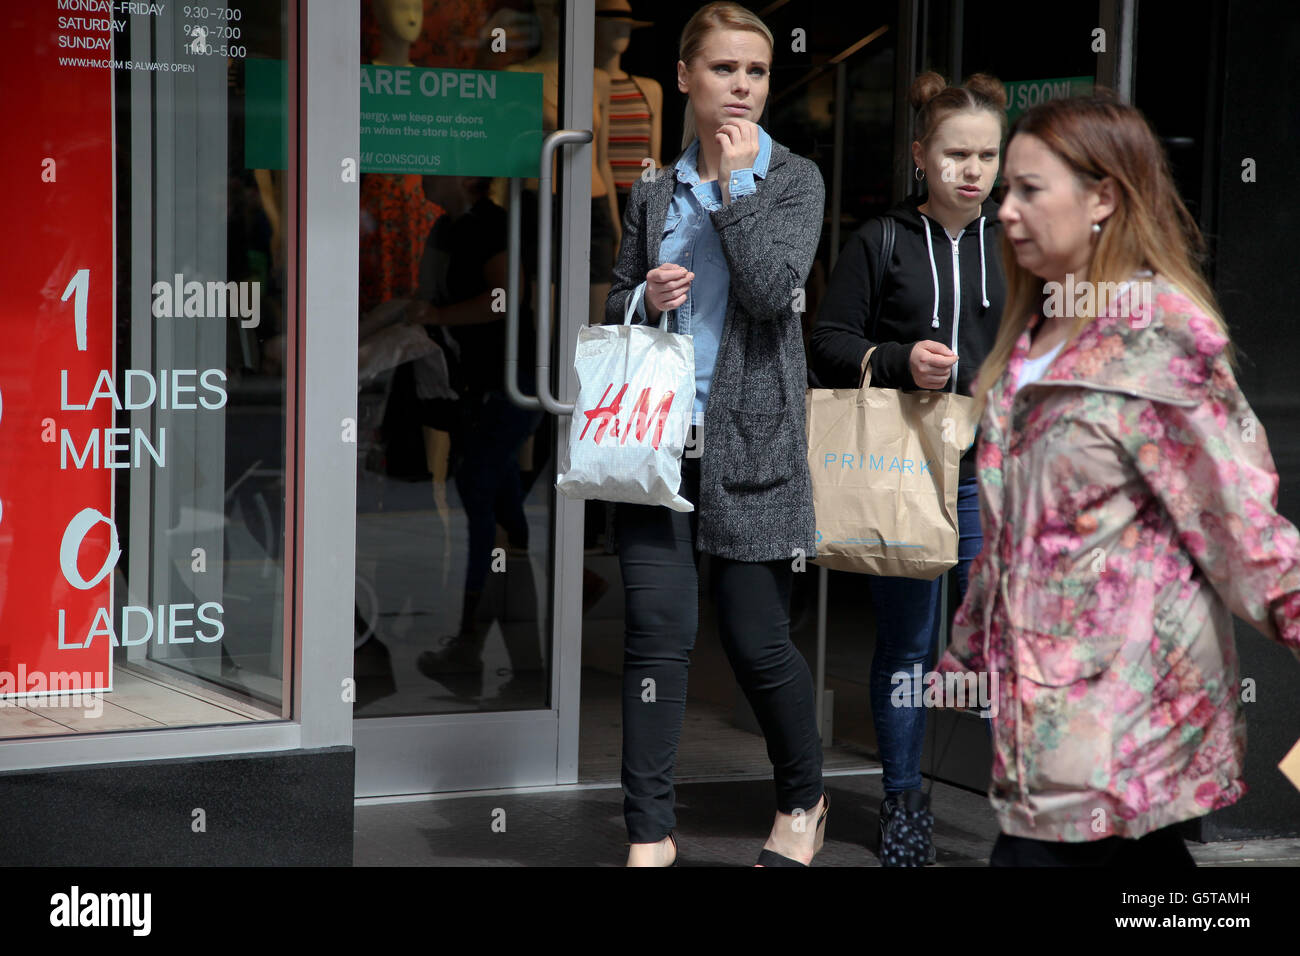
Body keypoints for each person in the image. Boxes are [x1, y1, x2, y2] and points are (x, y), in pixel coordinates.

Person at [935, 92, 1300, 866]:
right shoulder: (1034, 330)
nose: (1006, 210)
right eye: (1007, 189)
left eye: (1031, 190)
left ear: (1102, 196)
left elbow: (1244, 530)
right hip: (1042, 735)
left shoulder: (1159, 334)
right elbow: (1011, 533)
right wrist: (968, 654)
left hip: (1129, 735)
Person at [607, 1, 828, 867]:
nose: (742, 87)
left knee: (756, 640)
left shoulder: (793, 180)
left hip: (754, 444)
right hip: (655, 441)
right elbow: (617, 305)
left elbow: (775, 291)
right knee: (655, 635)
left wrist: (735, 190)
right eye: (726, 69)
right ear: (685, 77)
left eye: (758, 72)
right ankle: (649, 833)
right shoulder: (652, 187)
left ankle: (804, 800)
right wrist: (642, 298)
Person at [809, 71, 1007, 865]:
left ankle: (1032, 804)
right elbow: (825, 340)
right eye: (957, 153)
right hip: (907, 473)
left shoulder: (1019, 240)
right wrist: (896, 359)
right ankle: (904, 804)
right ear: (920, 155)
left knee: (1004, 645)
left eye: (988, 155)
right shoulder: (881, 239)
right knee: (906, 650)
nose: (973, 170)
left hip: (994, 477)